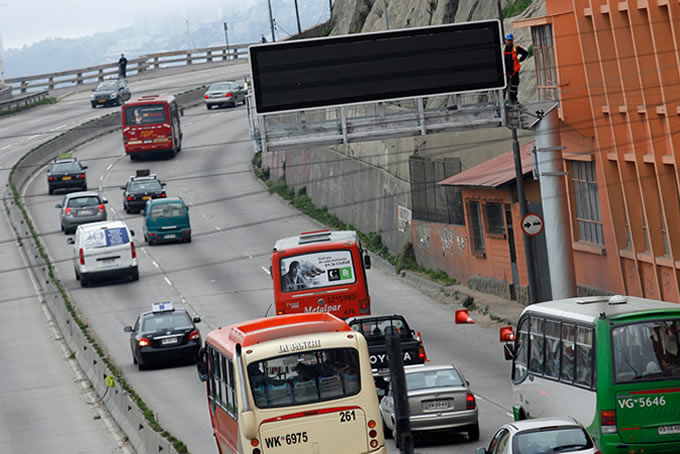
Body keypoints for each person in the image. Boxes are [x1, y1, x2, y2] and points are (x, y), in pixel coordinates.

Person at [503, 33, 529, 104]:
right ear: (505, 40)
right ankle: (502, 101)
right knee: (504, 88)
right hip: (505, 72)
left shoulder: (516, 48)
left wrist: (520, 60)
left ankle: (514, 100)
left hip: (514, 71)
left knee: (514, 87)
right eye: (508, 40)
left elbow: (525, 53)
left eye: (510, 40)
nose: (509, 42)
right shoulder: (502, 49)